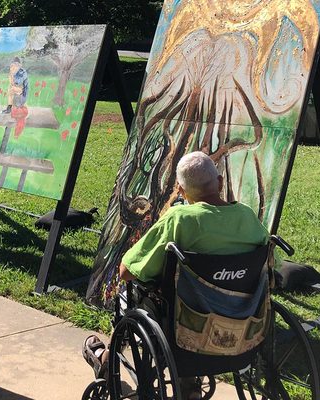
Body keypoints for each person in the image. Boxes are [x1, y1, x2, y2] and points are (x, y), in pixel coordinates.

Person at [82, 152, 269, 396]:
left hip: (187, 326)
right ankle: (188, 383)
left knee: (130, 296)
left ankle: (108, 359)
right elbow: (269, 266)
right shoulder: (247, 217)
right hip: (243, 323)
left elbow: (127, 271)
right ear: (220, 182)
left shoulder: (179, 219)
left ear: (180, 190)